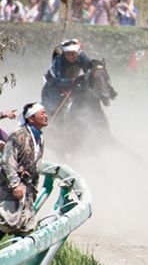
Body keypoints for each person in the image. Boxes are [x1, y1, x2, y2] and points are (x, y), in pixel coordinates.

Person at [0, 103, 48, 240]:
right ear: (31, 118)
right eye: (42, 113)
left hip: (27, 189)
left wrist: (34, 190)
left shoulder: (40, 138)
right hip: (10, 188)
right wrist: (15, 184)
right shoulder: (18, 135)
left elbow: (35, 167)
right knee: (5, 222)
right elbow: (7, 161)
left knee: (24, 226)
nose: (46, 116)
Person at [41, 39, 93, 119]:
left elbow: (89, 71)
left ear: (78, 53)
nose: (71, 57)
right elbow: (58, 80)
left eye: (73, 54)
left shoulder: (82, 57)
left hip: (72, 84)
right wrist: (71, 83)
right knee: (53, 107)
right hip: (53, 85)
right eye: (68, 54)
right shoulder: (58, 60)